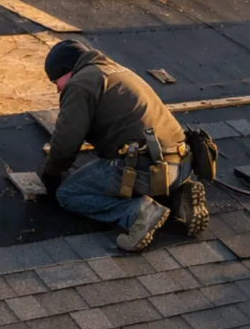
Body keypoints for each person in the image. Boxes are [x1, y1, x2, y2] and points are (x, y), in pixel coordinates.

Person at [40, 39, 209, 252]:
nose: (57, 89)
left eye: (55, 81)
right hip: (181, 164)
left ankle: (138, 213)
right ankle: (178, 197)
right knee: (132, 167)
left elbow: (65, 144)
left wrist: (51, 173)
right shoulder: (115, 70)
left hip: (147, 170)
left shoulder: (80, 84)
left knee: (69, 194)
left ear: (66, 70)